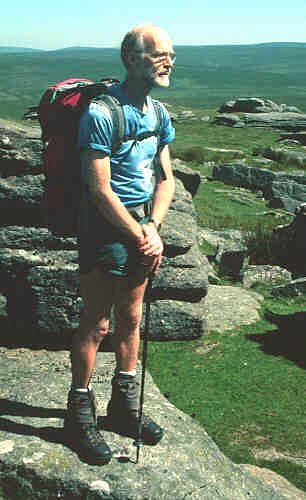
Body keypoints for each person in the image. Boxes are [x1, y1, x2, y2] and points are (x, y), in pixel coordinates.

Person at [63, 23, 176, 464]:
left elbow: (165, 178)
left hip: (141, 229)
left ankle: (122, 410)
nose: (170, 61)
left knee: (130, 319)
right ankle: (79, 414)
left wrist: (153, 227)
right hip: (104, 229)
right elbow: (99, 189)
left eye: (172, 53)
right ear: (132, 58)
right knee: (97, 322)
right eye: (159, 54)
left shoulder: (157, 113)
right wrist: (139, 234)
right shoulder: (102, 112)